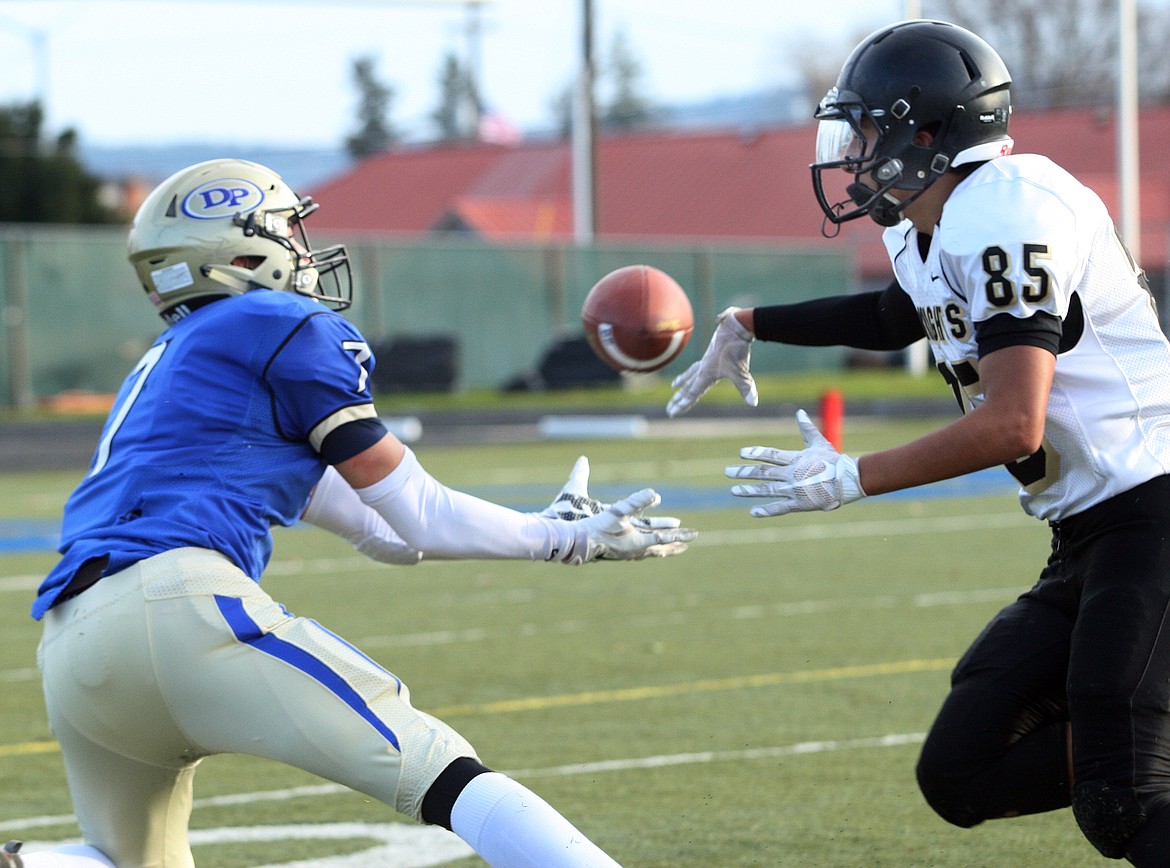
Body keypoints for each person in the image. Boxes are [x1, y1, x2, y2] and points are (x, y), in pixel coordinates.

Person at [5, 158, 696, 868]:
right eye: (286, 232)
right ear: (240, 253)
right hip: (177, 607)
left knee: (124, 864)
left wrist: (540, 520)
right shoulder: (277, 321)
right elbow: (419, 514)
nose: (304, 251)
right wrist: (563, 538)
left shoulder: (179, 368)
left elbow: (388, 533)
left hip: (72, 648)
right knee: (445, 774)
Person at [667, 18, 1170, 866]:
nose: (855, 149)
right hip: (1087, 529)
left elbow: (1014, 422)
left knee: (1124, 797)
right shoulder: (927, 224)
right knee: (962, 771)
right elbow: (901, 312)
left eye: (868, 127)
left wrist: (851, 478)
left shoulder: (1014, 212)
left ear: (927, 133)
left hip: (1151, 508)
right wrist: (751, 322)